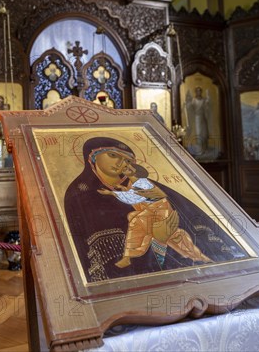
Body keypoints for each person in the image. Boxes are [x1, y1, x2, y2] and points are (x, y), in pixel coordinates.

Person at [64, 137, 245, 282]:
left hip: (189, 275)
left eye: (127, 161)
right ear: (92, 157)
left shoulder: (147, 185)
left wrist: (162, 236)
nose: (121, 163)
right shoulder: (81, 195)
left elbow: (192, 222)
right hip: (132, 289)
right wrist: (158, 239)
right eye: (113, 155)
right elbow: (103, 265)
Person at [184, 86, 211, 156]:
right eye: (197, 91)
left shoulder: (204, 100)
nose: (198, 92)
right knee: (198, 133)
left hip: (203, 118)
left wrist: (208, 96)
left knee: (204, 133)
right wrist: (186, 103)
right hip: (197, 118)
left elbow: (207, 104)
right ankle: (200, 149)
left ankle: (205, 148)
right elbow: (188, 106)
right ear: (196, 92)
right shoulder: (194, 100)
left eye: (199, 91)